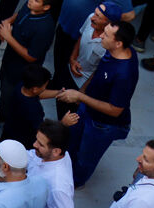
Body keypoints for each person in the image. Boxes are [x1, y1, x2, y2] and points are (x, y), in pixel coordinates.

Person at [58, 19, 139, 187]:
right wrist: (83, 91)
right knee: (72, 143)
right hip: (87, 109)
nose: (100, 35)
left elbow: (115, 110)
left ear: (118, 43)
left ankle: (74, 182)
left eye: (106, 34)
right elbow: (99, 70)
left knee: (85, 158)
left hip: (102, 124)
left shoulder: (124, 74)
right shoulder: (112, 50)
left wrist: (80, 98)